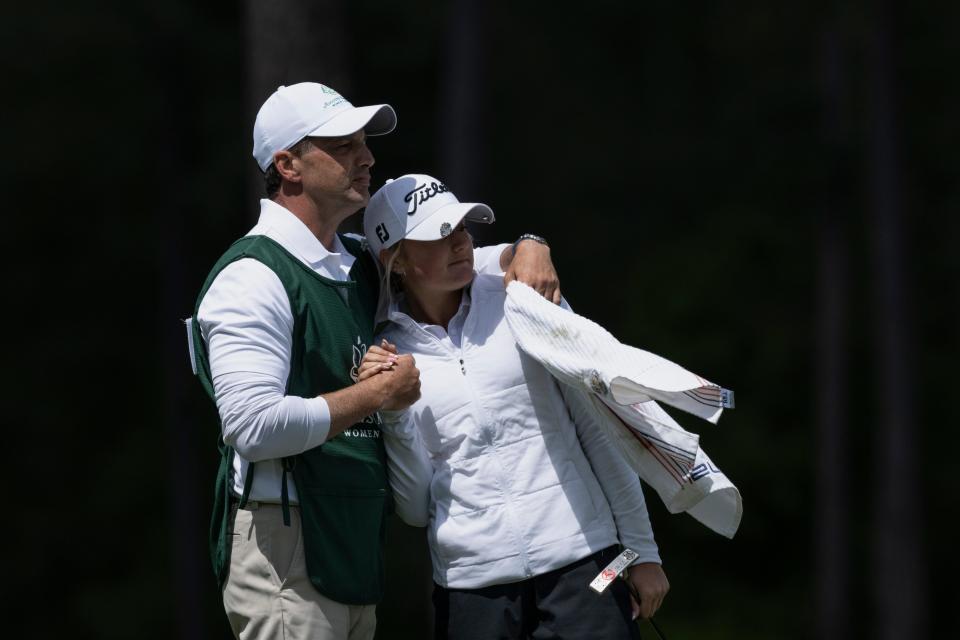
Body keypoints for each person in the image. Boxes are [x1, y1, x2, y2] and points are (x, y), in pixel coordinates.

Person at [187, 84, 560, 640]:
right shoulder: (253, 276)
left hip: (347, 539)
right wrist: (376, 396)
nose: (367, 158)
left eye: (363, 143)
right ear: (287, 165)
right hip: (286, 540)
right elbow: (252, 427)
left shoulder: (353, 260)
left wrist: (528, 245)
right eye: (343, 146)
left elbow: (452, 260)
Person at [358, 174, 670, 640]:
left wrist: (642, 553)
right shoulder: (386, 349)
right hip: (469, 589)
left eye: (463, 229)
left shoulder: (521, 299)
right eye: (440, 235)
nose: (461, 243)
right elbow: (416, 508)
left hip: (590, 566)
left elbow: (597, 427)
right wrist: (393, 409)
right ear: (395, 259)